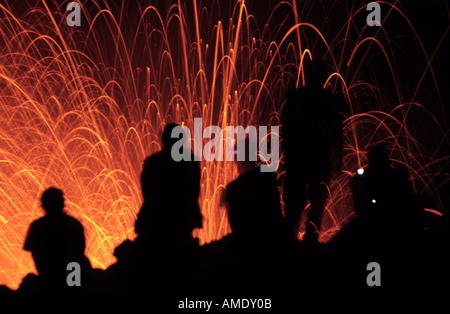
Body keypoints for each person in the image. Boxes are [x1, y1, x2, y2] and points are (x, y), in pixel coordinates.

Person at [202, 136, 286, 293]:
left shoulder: (234, 189)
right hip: (274, 247)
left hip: (247, 252)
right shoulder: (268, 177)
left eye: (236, 155)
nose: (234, 160)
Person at [129, 123, 203, 292]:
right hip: (182, 225)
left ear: (163, 140)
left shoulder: (152, 163)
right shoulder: (190, 163)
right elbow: (194, 192)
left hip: (155, 226)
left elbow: (147, 194)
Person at [281, 59, 346, 243]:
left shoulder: (296, 97)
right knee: (316, 208)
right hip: (318, 161)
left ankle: (289, 246)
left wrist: (287, 156)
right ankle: (309, 247)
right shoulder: (329, 100)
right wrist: (338, 159)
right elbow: (337, 132)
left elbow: (285, 131)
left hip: (299, 161)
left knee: (295, 208)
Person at [23, 187, 91, 293]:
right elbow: (80, 252)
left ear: (43, 204)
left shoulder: (37, 226)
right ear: (62, 203)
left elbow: (34, 252)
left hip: (48, 279)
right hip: (72, 278)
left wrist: (46, 274)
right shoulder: (73, 224)